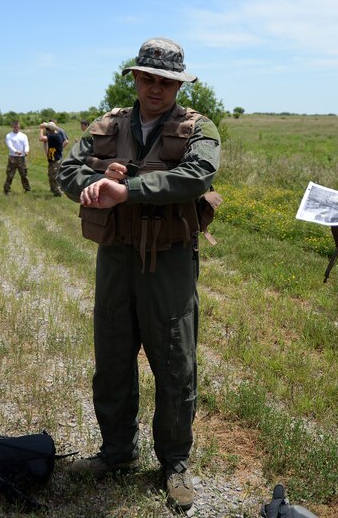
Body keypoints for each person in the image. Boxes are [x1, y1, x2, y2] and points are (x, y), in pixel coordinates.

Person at [57, 38, 221, 512]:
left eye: (167, 81)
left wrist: (126, 189)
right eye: (148, 78)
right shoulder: (107, 124)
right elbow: (68, 171)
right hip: (116, 256)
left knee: (174, 363)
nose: (156, 88)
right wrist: (95, 186)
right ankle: (116, 453)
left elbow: (197, 176)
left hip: (168, 260)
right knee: (111, 358)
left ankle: (174, 464)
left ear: (180, 83)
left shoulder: (198, 126)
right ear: (134, 78)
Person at [39, 120, 68, 196]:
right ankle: (56, 191)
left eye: (47, 129)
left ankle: (58, 192)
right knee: (53, 176)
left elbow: (41, 138)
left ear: (50, 130)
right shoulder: (56, 134)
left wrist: (41, 129)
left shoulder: (53, 136)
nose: (47, 130)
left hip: (55, 160)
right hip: (54, 159)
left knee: (53, 177)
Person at [3, 120, 31, 194]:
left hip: (22, 158)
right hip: (12, 158)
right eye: (15, 126)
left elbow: (26, 144)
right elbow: (10, 145)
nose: (16, 128)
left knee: (24, 174)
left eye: (17, 126)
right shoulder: (9, 135)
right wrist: (15, 151)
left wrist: (27, 151)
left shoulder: (23, 135)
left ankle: (27, 189)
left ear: (19, 126)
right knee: (10, 174)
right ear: (12, 126)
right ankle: (6, 189)